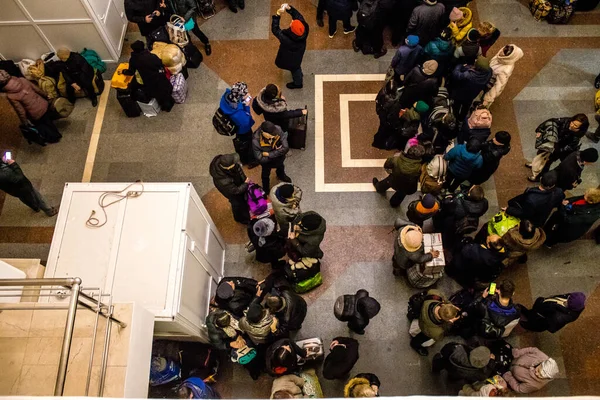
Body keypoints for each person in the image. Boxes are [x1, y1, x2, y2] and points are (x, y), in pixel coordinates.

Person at [0, 70, 61, 140]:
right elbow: (37, 90)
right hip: (42, 103)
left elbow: (20, 110)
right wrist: (46, 95)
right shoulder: (22, 80)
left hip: (35, 113)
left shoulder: (11, 95)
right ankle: (53, 127)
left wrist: (24, 121)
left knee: (42, 124)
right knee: (47, 118)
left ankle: (55, 136)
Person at [526, 113, 589, 182]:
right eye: (572, 122)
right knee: (541, 153)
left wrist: (554, 151)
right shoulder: (567, 120)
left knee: (547, 162)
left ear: (580, 128)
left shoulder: (576, 137)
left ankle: (538, 176)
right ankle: (535, 164)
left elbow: (567, 148)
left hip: (559, 150)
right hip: (553, 141)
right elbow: (552, 121)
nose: (571, 125)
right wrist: (540, 130)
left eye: (575, 125)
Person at [124, 41, 174, 111]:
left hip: (149, 80)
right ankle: (170, 101)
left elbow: (131, 72)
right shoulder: (151, 56)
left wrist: (124, 71)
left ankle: (165, 106)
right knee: (164, 89)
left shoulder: (134, 60)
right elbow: (160, 63)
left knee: (157, 93)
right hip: (159, 76)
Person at [272, 4, 309, 89]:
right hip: (299, 53)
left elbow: (275, 30)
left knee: (295, 69)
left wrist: (277, 14)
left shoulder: (287, 39)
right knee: (296, 67)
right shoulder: (304, 29)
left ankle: (298, 83)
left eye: (292, 24)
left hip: (290, 57)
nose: (292, 21)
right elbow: (298, 16)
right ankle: (298, 78)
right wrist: (289, 8)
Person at [412, 290, 459, 356]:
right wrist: (449, 323)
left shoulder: (434, 295)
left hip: (421, 314)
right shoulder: (437, 332)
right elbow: (439, 338)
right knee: (421, 338)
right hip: (425, 329)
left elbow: (433, 292)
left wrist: (449, 307)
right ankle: (414, 345)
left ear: (442, 304)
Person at [219, 82, 255, 165]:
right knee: (247, 142)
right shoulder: (238, 114)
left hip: (231, 122)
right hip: (242, 130)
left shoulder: (226, 96)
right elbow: (246, 123)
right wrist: (247, 106)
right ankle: (248, 160)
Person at [209, 153, 250, 224]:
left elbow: (238, 169)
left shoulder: (227, 162)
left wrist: (244, 179)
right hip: (231, 193)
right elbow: (236, 191)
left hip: (236, 185)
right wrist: (245, 184)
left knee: (242, 200)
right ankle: (240, 218)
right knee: (237, 204)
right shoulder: (222, 181)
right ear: (228, 167)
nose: (236, 163)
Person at [253, 121, 291, 192]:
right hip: (267, 163)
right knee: (265, 175)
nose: (274, 136)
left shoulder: (277, 129)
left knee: (281, 167)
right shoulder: (256, 140)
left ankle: (281, 175)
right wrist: (278, 152)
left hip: (278, 158)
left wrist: (269, 154)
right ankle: (266, 189)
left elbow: (286, 148)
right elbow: (260, 159)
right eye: (271, 135)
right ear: (263, 132)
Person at [450, 56, 492, 121]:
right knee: (466, 107)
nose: (475, 61)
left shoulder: (469, 75)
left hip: (460, 93)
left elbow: (456, 74)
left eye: (476, 61)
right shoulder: (489, 72)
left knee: (456, 105)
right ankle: (461, 119)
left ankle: (455, 117)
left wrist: (460, 66)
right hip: (471, 95)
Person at [519, 292, 585, 333]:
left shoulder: (558, 317)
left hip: (541, 318)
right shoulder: (573, 302)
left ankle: (528, 326)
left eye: (569, 297)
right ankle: (528, 314)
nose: (568, 296)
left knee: (535, 324)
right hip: (540, 309)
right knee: (532, 314)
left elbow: (547, 325)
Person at [372, 79, 403, 149]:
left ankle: (378, 141)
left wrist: (378, 111)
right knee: (386, 130)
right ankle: (380, 143)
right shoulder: (394, 102)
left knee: (382, 128)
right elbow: (393, 115)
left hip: (382, 114)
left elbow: (377, 101)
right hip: (387, 118)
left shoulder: (383, 92)